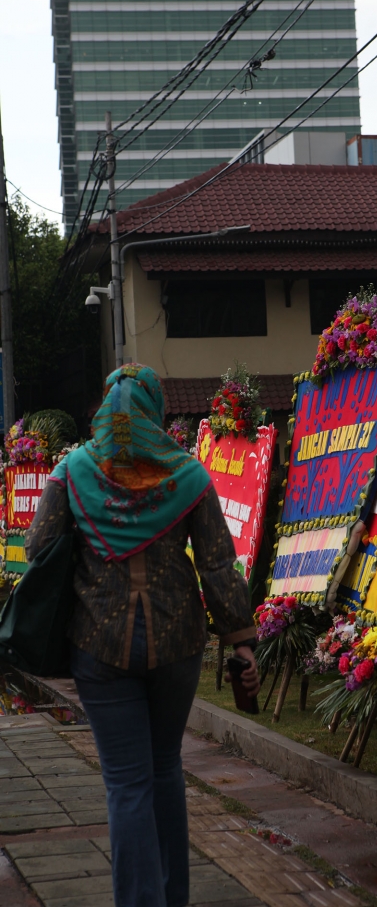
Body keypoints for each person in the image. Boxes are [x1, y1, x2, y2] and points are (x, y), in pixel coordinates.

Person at [26, 364, 260, 907]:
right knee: (164, 768)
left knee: (127, 784)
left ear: (105, 409)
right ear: (154, 410)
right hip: (178, 643)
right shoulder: (191, 477)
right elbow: (219, 564)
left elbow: (39, 550)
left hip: (99, 643)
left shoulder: (71, 471)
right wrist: (241, 639)